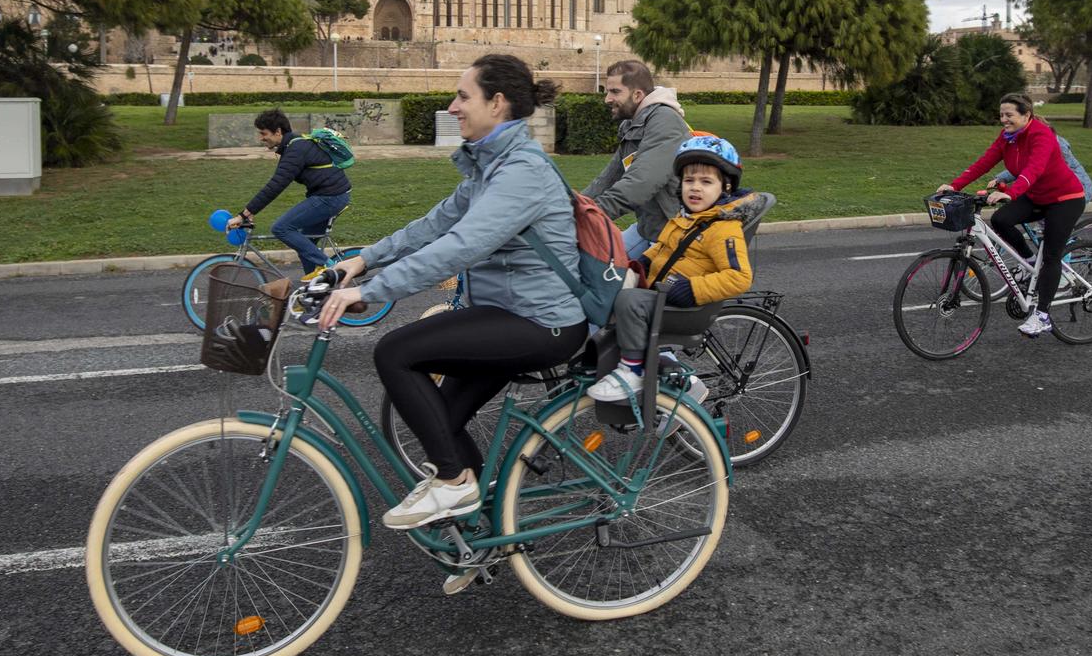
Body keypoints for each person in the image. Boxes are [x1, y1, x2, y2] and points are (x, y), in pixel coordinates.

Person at [316, 56, 587, 531]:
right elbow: (435, 224)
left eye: (463, 96)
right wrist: (363, 259)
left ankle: (454, 482)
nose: (452, 106)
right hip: (508, 313)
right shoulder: (490, 166)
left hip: (543, 321)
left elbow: (461, 245)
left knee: (396, 352)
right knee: (443, 419)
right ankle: (480, 530)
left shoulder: (521, 171)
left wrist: (373, 291)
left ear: (496, 103)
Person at [588, 133, 768, 405]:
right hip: (662, 291)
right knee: (606, 282)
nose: (695, 188)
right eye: (689, 180)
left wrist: (691, 289)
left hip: (685, 305)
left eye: (706, 182)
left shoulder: (722, 229)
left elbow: (739, 277)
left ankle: (632, 370)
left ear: (726, 187)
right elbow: (662, 248)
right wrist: (642, 263)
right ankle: (613, 356)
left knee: (629, 300)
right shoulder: (686, 218)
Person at [943, 92, 1088, 337]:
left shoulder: (1041, 135)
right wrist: (954, 185)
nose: (1004, 119)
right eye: (1001, 114)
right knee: (1001, 219)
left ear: (1026, 115)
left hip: (1065, 199)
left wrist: (1011, 192)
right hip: (1037, 197)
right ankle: (1029, 263)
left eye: (1009, 114)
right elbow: (984, 162)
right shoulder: (1008, 137)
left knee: (1052, 256)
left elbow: (1035, 168)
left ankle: (1042, 316)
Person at [582, 59, 692, 258]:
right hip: (650, 227)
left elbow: (641, 182)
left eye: (615, 92)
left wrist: (590, 215)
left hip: (675, 233)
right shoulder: (633, 124)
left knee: (618, 280)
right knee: (595, 262)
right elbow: (608, 179)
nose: (607, 99)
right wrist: (575, 205)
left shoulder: (665, 121)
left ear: (637, 94)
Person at [225, 109, 352, 277]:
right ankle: (315, 293)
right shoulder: (294, 145)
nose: (261, 138)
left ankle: (329, 267)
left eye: (263, 133)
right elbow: (276, 183)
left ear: (278, 132)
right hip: (330, 195)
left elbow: (276, 185)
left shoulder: (296, 149)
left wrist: (244, 214)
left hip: (330, 197)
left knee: (281, 228)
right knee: (305, 243)